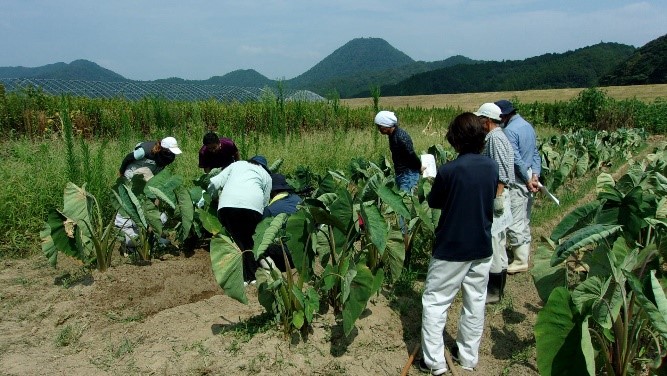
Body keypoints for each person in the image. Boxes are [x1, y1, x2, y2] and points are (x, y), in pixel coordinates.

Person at [420, 112, 497, 375]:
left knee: (435, 302)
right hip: (482, 246)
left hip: (452, 247)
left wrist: (430, 179)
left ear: (456, 140)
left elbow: (434, 202)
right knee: (475, 303)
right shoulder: (491, 167)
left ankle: (434, 363)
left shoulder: (449, 170)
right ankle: (468, 358)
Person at [207, 155, 272, 285]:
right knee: (248, 241)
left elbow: (214, 182)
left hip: (227, 207)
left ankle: (243, 277)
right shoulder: (266, 175)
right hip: (252, 208)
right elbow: (265, 201)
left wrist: (213, 197)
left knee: (237, 241)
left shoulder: (236, 165)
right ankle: (251, 277)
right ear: (264, 167)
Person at [494, 99, 541, 274]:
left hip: (518, 180)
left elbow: (514, 159)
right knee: (524, 217)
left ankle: (521, 260)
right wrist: (535, 174)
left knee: (514, 219)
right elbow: (535, 152)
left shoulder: (509, 131)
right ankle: (523, 255)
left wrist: (527, 179)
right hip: (529, 176)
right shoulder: (527, 126)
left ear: (504, 115)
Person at [475, 103, 515, 304]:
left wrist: (497, 197)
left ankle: (494, 291)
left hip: (497, 195)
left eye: (480, 120)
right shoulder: (498, 136)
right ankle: (500, 288)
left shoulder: (494, 139)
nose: (479, 124)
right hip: (500, 194)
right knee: (499, 241)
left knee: (494, 244)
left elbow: (500, 172)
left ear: (488, 120)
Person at [115, 137, 183, 253]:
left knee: (148, 205)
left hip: (149, 176)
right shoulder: (145, 150)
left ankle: (149, 232)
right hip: (133, 174)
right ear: (163, 148)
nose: (172, 154)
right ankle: (131, 239)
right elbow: (128, 158)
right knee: (132, 203)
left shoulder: (167, 158)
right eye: (170, 151)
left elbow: (158, 173)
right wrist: (121, 173)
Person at [374, 110, 424, 266]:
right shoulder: (393, 135)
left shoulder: (401, 137)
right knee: (401, 211)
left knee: (404, 213)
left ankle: (405, 256)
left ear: (387, 125)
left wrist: (419, 167)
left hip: (408, 175)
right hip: (402, 174)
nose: (379, 130)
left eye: (380, 126)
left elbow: (411, 155)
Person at [260, 173, 302, 272]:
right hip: (305, 254)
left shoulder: (271, 209)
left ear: (272, 191)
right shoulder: (299, 200)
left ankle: (271, 270)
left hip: (288, 257)